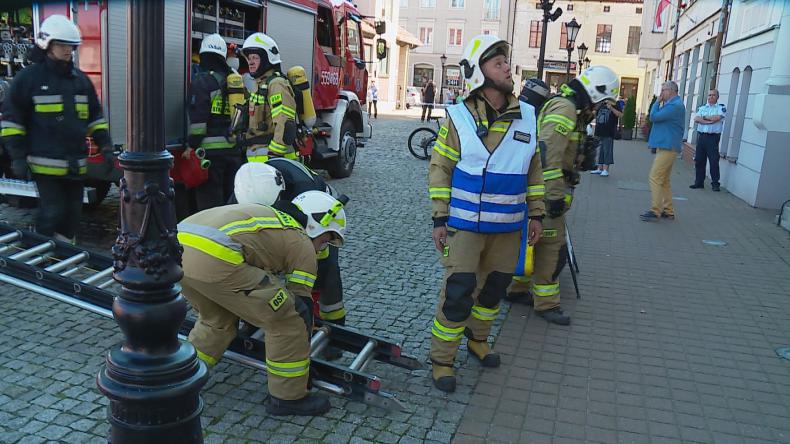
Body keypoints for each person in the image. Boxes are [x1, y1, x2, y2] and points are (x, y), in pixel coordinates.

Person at [427, 34, 545, 393]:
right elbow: (440, 169)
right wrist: (439, 218)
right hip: (464, 226)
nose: (508, 69)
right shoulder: (459, 117)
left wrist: (537, 214)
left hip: (508, 226)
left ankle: (478, 340)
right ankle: (442, 359)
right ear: (479, 74)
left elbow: (534, 169)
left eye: (506, 62)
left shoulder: (528, 116)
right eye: (498, 64)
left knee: (494, 289)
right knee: (459, 291)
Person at [177, 188, 347, 416]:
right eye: (324, 242)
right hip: (218, 258)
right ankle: (288, 397)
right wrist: (301, 362)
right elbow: (301, 304)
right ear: (316, 227)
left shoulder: (270, 217)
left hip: (177, 254)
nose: (320, 250)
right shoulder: (300, 239)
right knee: (289, 319)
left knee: (217, 321)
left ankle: (182, 381)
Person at [510, 66, 620, 325]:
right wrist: (554, 197)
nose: (600, 108)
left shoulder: (570, 108)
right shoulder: (566, 109)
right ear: (596, 92)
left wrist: (580, 155)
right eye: (602, 101)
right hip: (548, 195)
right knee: (551, 248)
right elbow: (547, 154)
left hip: (543, 192)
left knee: (533, 242)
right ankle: (546, 304)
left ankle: (515, 289)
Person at [1, 15, 112, 243]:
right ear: (47, 44)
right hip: (45, 166)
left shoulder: (80, 81)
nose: (68, 50)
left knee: (72, 217)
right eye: (62, 45)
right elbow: (12, 121)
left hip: (76, 165)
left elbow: (95, 117)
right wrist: (17, 157)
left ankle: (61, 255)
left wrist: (106, 146)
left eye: (71, 46)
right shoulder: (29, 79)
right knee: (52, 212)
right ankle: (41, 253)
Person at [233, 160, 348, 327]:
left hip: (321, 217)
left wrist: (302, 301)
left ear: (278, 195)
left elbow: (308, 244)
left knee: (323, 267)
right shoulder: (242, 193)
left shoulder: (305, 192)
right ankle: (255, 321)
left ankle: (334, 323)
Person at [186, 34, 243, 211]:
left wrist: (191, 145)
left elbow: (198, 121)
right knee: (230, 201)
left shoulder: (203, 80)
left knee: (210, 206)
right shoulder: (233, 79)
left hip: (210, 156)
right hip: (233, 151)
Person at [241, 32, 298, 162]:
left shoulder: (276, 84)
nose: (250, 62)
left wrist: (275, 155)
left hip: (272, 161)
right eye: (249, 58)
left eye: (255, 58)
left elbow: (284, 122)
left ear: (268, 58)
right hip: (259, 159)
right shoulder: (260, 85)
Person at [640, 81, 685, 222]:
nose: (661, 93)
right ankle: (668, 210)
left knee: (655, 177)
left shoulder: (674, 106)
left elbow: (654, 117)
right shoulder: (673, 105)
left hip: (668, 146)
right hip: (667, 146)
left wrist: (656, 103)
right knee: (664, 180)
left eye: (663, 90)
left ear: (671, 91)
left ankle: (656, 210)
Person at [691, 89, 725, 191]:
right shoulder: (702, 108)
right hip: (702, 136)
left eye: (713, 95)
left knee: (713, 161)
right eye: (709, 95)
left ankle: (715, 184)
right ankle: (699, 182)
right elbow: (696, 119)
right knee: (699, 160)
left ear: (717, 97)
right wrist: (708, 121)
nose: (711, 97)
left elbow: (718, 117)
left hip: (713, 138)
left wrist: (704, 118)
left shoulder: (720, 108)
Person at [590, 99, 623, 177]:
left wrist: (611, 108)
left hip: (609, 132)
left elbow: (620, 115)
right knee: (600, 151)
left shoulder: (615, 103)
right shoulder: (601, 103)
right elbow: (595, 114)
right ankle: (599, 168)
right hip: (599, 131)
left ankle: (605, 169)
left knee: (607, 150)